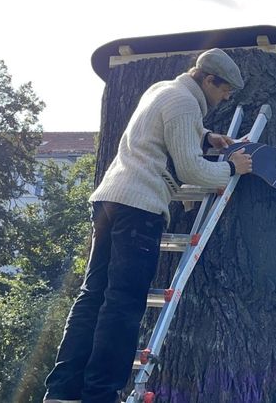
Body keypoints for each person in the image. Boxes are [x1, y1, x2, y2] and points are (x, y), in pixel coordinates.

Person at [44, 48, 252, 403]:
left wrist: (205, 137)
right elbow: (192, 170)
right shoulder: (184, 104)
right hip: (140, 207)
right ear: (207, 79)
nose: (225, 98)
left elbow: (163, 129)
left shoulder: (161, 90)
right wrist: (233, 167)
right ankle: (101, 393)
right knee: (123, 303)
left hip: (110, 200)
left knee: (92, 297)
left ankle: (63, 390)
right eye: (223, 90)